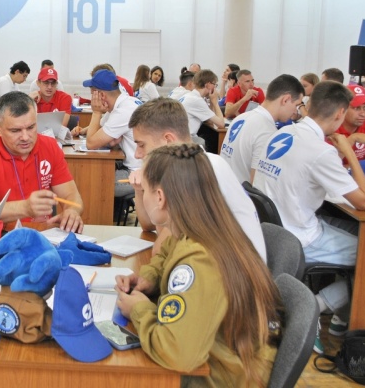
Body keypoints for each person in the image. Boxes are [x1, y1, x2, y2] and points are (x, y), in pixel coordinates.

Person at [115, 144, 279, 386]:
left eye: (145, 190)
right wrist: (149, 278)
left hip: (219, 377)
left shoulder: (200, 259)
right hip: (222, 359)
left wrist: (139, 309)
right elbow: (165, 253)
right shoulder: (201, 225)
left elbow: (178, 353)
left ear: (160, 197)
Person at [254, 81, 365, 352]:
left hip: (273, 232)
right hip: (300, 237)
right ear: (340, 113)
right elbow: (364, 202)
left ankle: (340, 319)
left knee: (354, 230)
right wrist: (348, 152)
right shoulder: (321, 151)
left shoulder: (283, 132)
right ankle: (313, 307)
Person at [128, 98, 267, 261]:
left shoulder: (195, 172)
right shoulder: (193, 163)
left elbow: (162, 249)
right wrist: (140, 189)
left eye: (141, 145)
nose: (137, 154)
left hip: (238, 269)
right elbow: (149, 224)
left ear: (168, 141)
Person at [0, 92, 83, 231]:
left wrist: (72, 211)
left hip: (44, 234)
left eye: (31, 127)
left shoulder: (50, 146)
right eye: (15, 130)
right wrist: (25, 208)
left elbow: (71, 195)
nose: (25, 137)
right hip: (2, 236)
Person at [221, 74, 305, 183]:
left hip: (225, 187)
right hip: (240, 191)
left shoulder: (241, 118)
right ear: (285, 100)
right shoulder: (267, 131)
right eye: (296, 105)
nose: (295, 111)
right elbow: (257, 184)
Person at [81, 69, 141, 198]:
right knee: (96, 174)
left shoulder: (123, 112)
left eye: (93, 95)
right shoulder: (125, 102)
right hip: (136, 167)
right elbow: (98, 129)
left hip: (138, 173)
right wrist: (82, 130)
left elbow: (91, 143)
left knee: (94, 182)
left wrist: (96, 112)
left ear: (101, 95)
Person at [175, 69, 224, 139]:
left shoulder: (190, 95)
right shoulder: (197, 100)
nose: (215, 88)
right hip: (185, 139)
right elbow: (221, 124)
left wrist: (212, 101)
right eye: (215, 85)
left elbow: (209, 121)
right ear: (208, 85)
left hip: (179, 136)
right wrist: (215, 102)